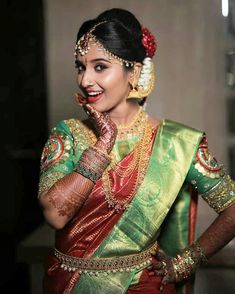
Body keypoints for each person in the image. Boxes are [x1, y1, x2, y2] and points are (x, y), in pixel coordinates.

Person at [38, 8, 235, 294]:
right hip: (71, 285)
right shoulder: (67, 135)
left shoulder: (176, 143)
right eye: (81, 67)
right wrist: (103, 144)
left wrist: (185, 263)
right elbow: (55, 215)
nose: (84, 80)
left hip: (144, 286)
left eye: (100, 66)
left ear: (135, 71)